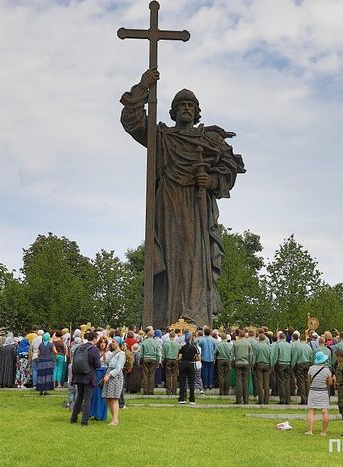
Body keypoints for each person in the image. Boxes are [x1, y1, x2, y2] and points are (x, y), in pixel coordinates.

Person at [120, 68, 246, 328]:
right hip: (168, 202)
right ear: (174, 111)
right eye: (181, 105)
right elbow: (132, 121)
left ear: (196, 111)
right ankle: (166, 318)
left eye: (191, 105)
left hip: (196, 203)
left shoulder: (209, 139)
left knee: (194, 257)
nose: (186, 108)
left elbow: (230, 163)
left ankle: (195, 316)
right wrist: (143, 87)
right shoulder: (163, 137)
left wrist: (212, 181)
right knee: (169, 257)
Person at [71, 331, 102, 425]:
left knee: (79, 397)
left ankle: (73, 417)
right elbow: (97, 365)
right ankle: (84, 421)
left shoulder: (79, 347)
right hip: (89, 375)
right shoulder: (94, 349)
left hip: (78, 375)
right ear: (94, 339)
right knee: (87, 398)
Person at [306, 352, 333, 436]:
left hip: (313, 391)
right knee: (325, 412)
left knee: (311, 411)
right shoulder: (327, 370)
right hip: (323, 392)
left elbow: (309, 381)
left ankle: (310, 431)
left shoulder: (311, 368)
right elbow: (330, 383)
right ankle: (323, 432)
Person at [102, 340, 126, 426]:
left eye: (114, 342)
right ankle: (114, 418)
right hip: (109, 375)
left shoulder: (121, 354)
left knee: (114, 398)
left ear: (119, 343)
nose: (112, 343)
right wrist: (105, 359)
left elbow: (118, 367)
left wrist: (109, 375)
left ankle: (115, 420)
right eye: (112, 342)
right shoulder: (113, 353)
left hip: (115, 377)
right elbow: (109, 363)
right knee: (108, 397)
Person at [232, 329, 253, 405]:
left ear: (238, 335)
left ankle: (238, 400)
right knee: (246, 382)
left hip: (238, 363)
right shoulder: (248, 343)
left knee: (239, 382)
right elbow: (251, 355)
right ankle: (246, 400)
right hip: (246, 363)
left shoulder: (235, 343)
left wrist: (232, 363)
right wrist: (250, 364)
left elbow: (232, 355)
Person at [178, 335, 198, 404]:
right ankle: (192, 399)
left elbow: (180, 357)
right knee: (191, 382)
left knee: (182, 382)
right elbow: (196, 357)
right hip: (191, 364)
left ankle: (182, 398)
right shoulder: (194, 348)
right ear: (191, 340)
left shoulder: (183, 347)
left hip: (183, 364)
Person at [253, 332, 272, 405]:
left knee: (260, 383)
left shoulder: (257, 346)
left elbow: (254, 357)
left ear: (259, 339)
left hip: (259, 365)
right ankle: (266, 400)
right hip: (267, 365)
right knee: (266, 383)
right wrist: (270, 366)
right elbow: (270, 357)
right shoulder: (268, 347)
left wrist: (253, 365)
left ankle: (260, 400)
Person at [273, 332, 292, 404]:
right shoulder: (289, 345)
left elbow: (275, 356)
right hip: (288, 363)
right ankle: (287, 399)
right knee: (287, 381)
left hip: (280, 363)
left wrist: (273, 364)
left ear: (279, 338)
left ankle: (282, 399)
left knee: (281, 382)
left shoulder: (278, 345)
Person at [140, 330, 160, 395]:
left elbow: (141, 353)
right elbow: (158, 353)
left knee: (145, 375)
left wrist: (141, 359)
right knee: (152, 375)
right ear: (153, 335)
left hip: (145, 359)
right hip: (153, 359)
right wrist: (158, 360)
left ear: (147, 335)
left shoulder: (144, 342)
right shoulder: (156, 342)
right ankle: (151, 390)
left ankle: (145, 391)